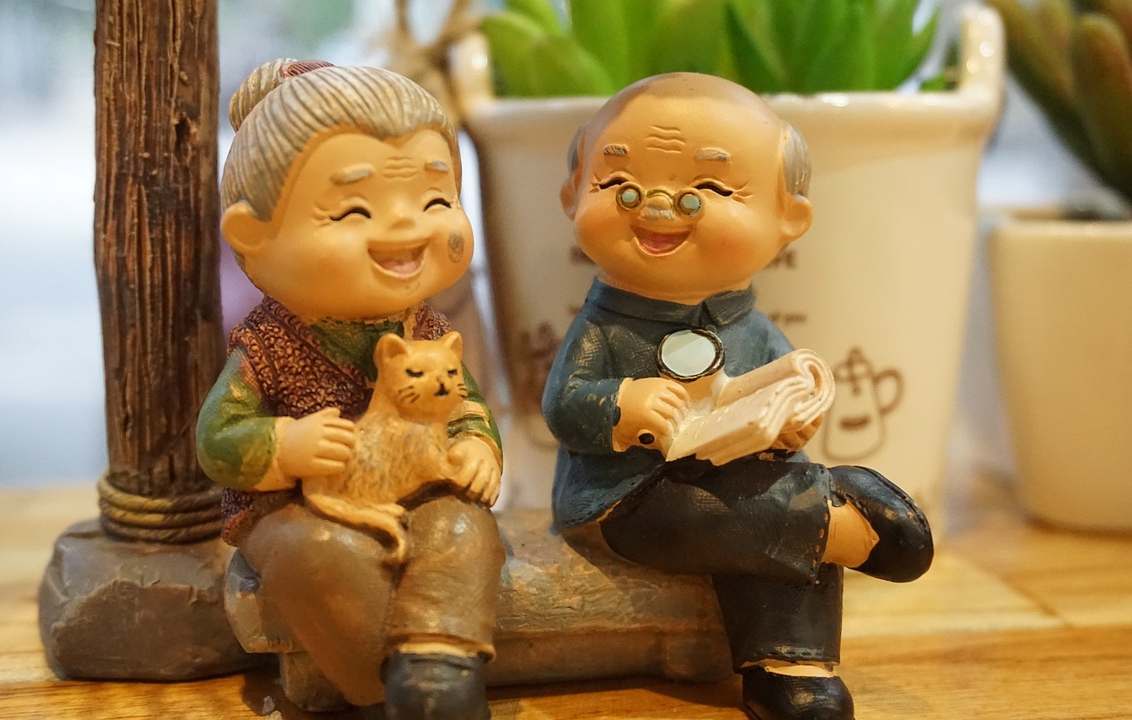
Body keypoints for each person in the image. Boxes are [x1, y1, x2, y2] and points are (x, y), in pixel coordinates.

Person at [542, 72, 933, 720]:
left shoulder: (752, 331)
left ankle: (793, 668)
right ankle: (838, 520)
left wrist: (789, 421)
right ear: (572, 195)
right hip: (630, 496)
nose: (658, 209)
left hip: (742, 478)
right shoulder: (603, 328)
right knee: (751, 517)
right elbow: (564, 404)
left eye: (709, 190)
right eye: (619, 185)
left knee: (769, 506)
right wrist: (624, 407)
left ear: (789, 220)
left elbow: (785, 389)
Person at [196, 58, 502, 720]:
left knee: (462, 526)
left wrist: (477, 443)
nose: (407, 230)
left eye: (436, 201)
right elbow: (217, 440)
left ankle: (436, 666)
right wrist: (285, 443)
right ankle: (373, 686)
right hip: (291, 509)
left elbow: (467, 401)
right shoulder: (267, 345)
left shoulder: (426, 327)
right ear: (254, 238)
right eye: (356, 209)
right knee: (323, 553)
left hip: (417, 482)